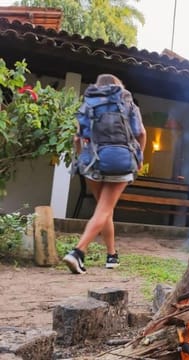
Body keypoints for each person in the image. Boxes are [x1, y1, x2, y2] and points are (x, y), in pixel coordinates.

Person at [63, 74, 146, 274]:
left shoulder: (90, 102)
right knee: (104, 210)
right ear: (119, 86)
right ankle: (78, 252)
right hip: (120, 160)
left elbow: (78, 138)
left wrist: (82, 158)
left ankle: (112, 255)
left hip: (93, 161)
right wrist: (140, 158)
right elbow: (141, 133)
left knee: (104, 208)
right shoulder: (127, 102)